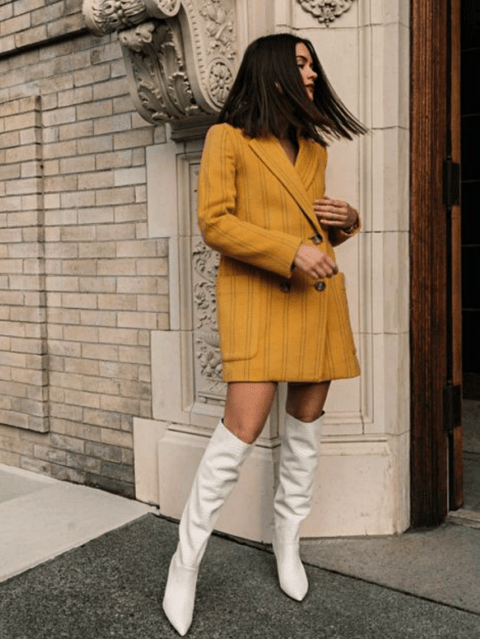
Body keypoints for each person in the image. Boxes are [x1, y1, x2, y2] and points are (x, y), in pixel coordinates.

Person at [162, 32, 367, 636]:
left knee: (305, 431)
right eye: (300, 64)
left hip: (316, 303)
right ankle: (186, 560)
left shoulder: (314, 147)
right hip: (257, 296)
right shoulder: (227, 137)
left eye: (312, 66)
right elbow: (216, 223)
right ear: (272, 69)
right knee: (240, 432)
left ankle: (287, 542)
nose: (310, 74)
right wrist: (291, 252)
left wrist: (348, 222)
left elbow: (315, 231)